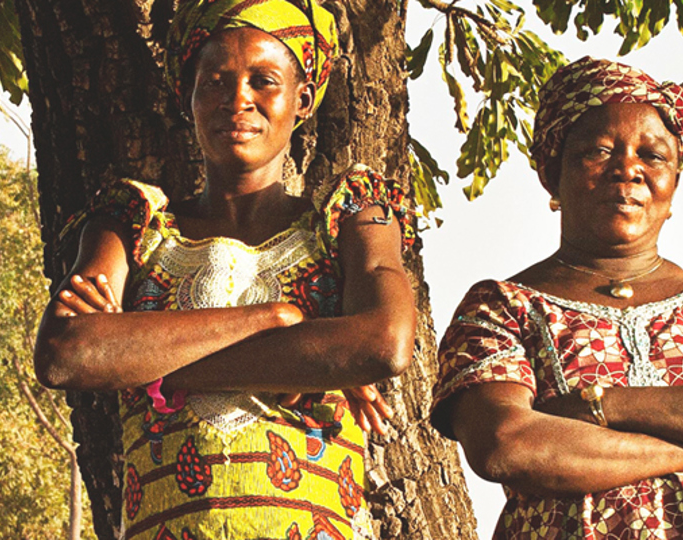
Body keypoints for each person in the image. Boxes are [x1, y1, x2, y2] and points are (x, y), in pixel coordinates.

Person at [35, 0, 417, 537]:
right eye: (214, 82)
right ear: (187, 98)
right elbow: (67, 353)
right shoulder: (133, 225)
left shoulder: (351, 217)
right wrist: (279, 325)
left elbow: (384, 343)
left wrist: (147, 365)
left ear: (303, 99)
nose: (237, 99)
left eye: (263, 80)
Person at [431, 56, 683, 539]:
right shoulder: (500, 307)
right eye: (599, 151)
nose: (626, 170)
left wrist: (600, 407)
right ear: (553, 175)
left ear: (673, 186)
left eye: (652, 156)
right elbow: (507, 445)